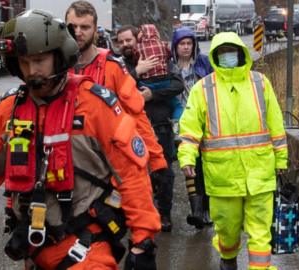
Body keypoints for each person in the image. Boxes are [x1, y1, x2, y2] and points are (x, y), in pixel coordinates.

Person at [0, 9, 160, 270]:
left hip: (87, 248)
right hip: (33, 249)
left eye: (40, 60)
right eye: (24, 62)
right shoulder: (9, 111)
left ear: (59, 57)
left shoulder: (94, 105)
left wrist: (143, 239)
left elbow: (132, 174)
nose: (32, 71)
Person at [177, 32, 288, 270]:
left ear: (241, 52)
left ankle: (260, 267)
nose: (229, 55)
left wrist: (281, 161)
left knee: (260, 230)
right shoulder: (203, 89)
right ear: (216, 55)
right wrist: (187, 157)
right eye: (223, 51)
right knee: (227, 229)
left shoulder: (260, 83)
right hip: (223, 178)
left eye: (232, 50)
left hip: (260, 174)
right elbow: (189, 128)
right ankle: (228, 259)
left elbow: (276, 125)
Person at [65, 1, 173, 231]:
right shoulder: (56, 66)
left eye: (85, 27)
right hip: (64, 163)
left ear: (95, 30)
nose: (78, 32)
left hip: (104, 166)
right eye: (72, 26)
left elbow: (136, 114)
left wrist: (156, 160)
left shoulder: (112, 68)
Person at [117, 24, 185, 232]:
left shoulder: (160, 59)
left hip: (160, 126)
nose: (125, 45)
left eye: (128, 40)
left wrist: (152, 95)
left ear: (138, 39)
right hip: (130, 129)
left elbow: (177, 85)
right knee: (133, 174)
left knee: (163, 173)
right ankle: (138, 216)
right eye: (120, 42)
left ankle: (164, 214)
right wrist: (137, 72)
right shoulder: (118, 66)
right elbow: (113, 90)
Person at [169, 26, 213, 229]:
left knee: (207, 165)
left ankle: (206, 209)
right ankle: (196, 210)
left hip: (204, 118)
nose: (186, 48)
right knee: (189, 163)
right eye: (182, 44)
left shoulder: (203, 62)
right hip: (180, 120)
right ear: (175, 46)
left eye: (189, 43)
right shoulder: (170, 67)